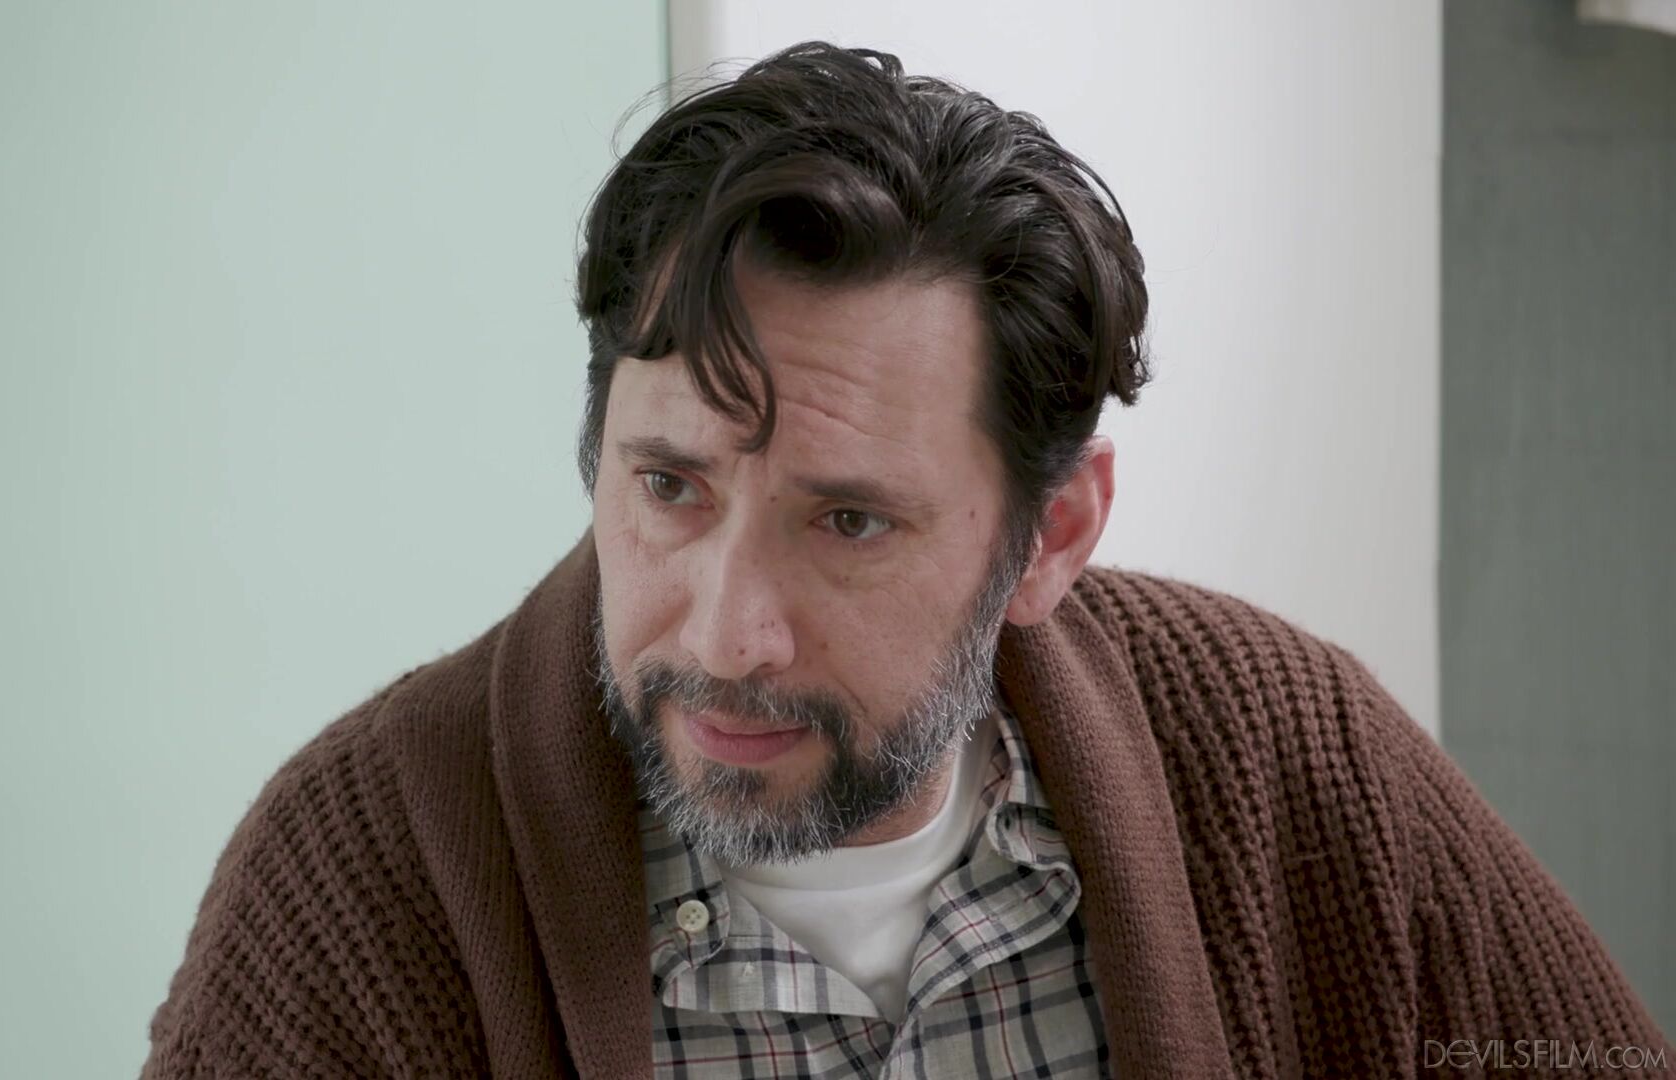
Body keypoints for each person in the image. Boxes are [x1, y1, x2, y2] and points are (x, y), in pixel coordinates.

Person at [140, 42, 1669, 1078]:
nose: (726, 634)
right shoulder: (363, 869)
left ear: (1050, 536)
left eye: (849, 522)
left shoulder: (1283, 757)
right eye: (669, 486)